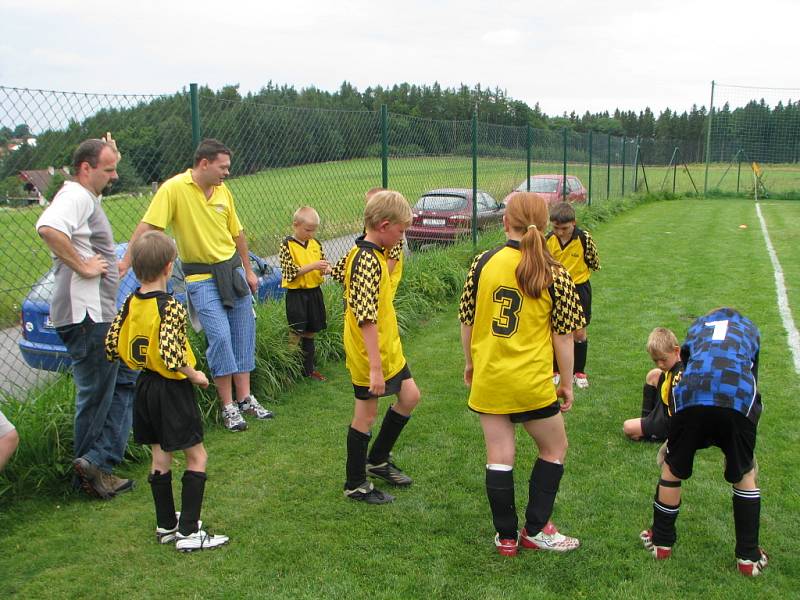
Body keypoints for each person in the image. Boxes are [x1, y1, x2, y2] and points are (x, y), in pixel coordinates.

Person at [460, 191, 585, 556]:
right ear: (545, 227)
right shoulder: (555, 272)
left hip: (491, 377)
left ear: (504, 222)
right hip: (531, 382)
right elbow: (565, 337)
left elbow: (466, 320)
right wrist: (567, 381)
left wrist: (470, 363)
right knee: (554, 447)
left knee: (499, 454)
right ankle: (535, 529)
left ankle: (506, 538)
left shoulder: (482, 263)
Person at [120, 139, 272, 432]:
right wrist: (126, 262)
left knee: (243, 333)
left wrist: (248, 269)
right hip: (200, 278)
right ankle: (227, 406)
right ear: (204, 163)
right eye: (223, 167)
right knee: (220, 337)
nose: (227, 172)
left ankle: (246, 399)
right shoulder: (174, 188)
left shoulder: (223, 191)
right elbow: (149, 226)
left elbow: (237, 232)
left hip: (233, 273)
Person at [105, 230, 228, 552]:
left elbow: (111, 343)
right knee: (196, 455)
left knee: (160, 455)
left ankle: (165, 524)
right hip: (171, 389)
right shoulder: (170, 306)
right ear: (169, 267)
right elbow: (173, 355)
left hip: (143, 385)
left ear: (135, 269)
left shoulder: (131, 301)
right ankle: (189, 531)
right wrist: (196, 375)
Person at [36, 134, 136, 499]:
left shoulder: (86, 196)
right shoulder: (75, 195)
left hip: (96, 314)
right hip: (86, 316)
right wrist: (83, 266)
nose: (114, 176)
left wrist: (110, 268)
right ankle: (90, 467)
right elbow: (48, 228)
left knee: (124, 378)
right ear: (85, 168)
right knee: (96, 394)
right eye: (108, 169)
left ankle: (100, 461)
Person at [640, 307, 768, 577]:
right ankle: (747, 556)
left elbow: (686, 367)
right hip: (737, 397)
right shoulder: (750, 329)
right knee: (743, 472)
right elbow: (751, 374)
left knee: (672, 469)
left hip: (691, 395)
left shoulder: (698, 328)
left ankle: (661, 542)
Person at [332, 190, 421, 504]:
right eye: (400, 230)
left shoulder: (370, 252)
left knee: (410, 396)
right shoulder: (367, 260)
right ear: (384, 225)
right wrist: (373, 367)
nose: (402, 236)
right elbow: (365, 318)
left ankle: (378, 460)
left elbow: (343, 277)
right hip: (370, 353)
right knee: (365, 415)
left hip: (388, 347)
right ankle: (355, 483)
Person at [546, 201, 600, 389]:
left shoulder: (584, 239)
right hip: (556, 290)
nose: (560, 232)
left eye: (564, 228)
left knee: (579, 332)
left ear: (574, 223)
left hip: (579, 289)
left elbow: (594, 262)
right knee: (556, 330)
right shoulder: (548, 240)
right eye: (556, 228)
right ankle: (555, 370)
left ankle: (579, 371)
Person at [279, 206, 330, 380]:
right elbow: (290, 272)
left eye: (314, 230)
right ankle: (288, 371)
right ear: (295, 225)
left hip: (314, 292)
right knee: (296, 332)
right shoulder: (287, 245)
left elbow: (322, 265)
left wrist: (327, 269)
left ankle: (308, 370)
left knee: (310, 331)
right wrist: (314, 266)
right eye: (308, 230)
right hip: (297, 295)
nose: (311, 233)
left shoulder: (315, 244)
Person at [623, 328, 682, 442]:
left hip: (669, 419)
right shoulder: (675, 364)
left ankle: (655, 434)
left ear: (676, 351)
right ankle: (647, 419)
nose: (660, 364)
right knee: (654, 375)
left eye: (663, 359)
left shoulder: (680, 376)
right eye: (656, 360)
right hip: (665, 406)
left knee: (628, 427)